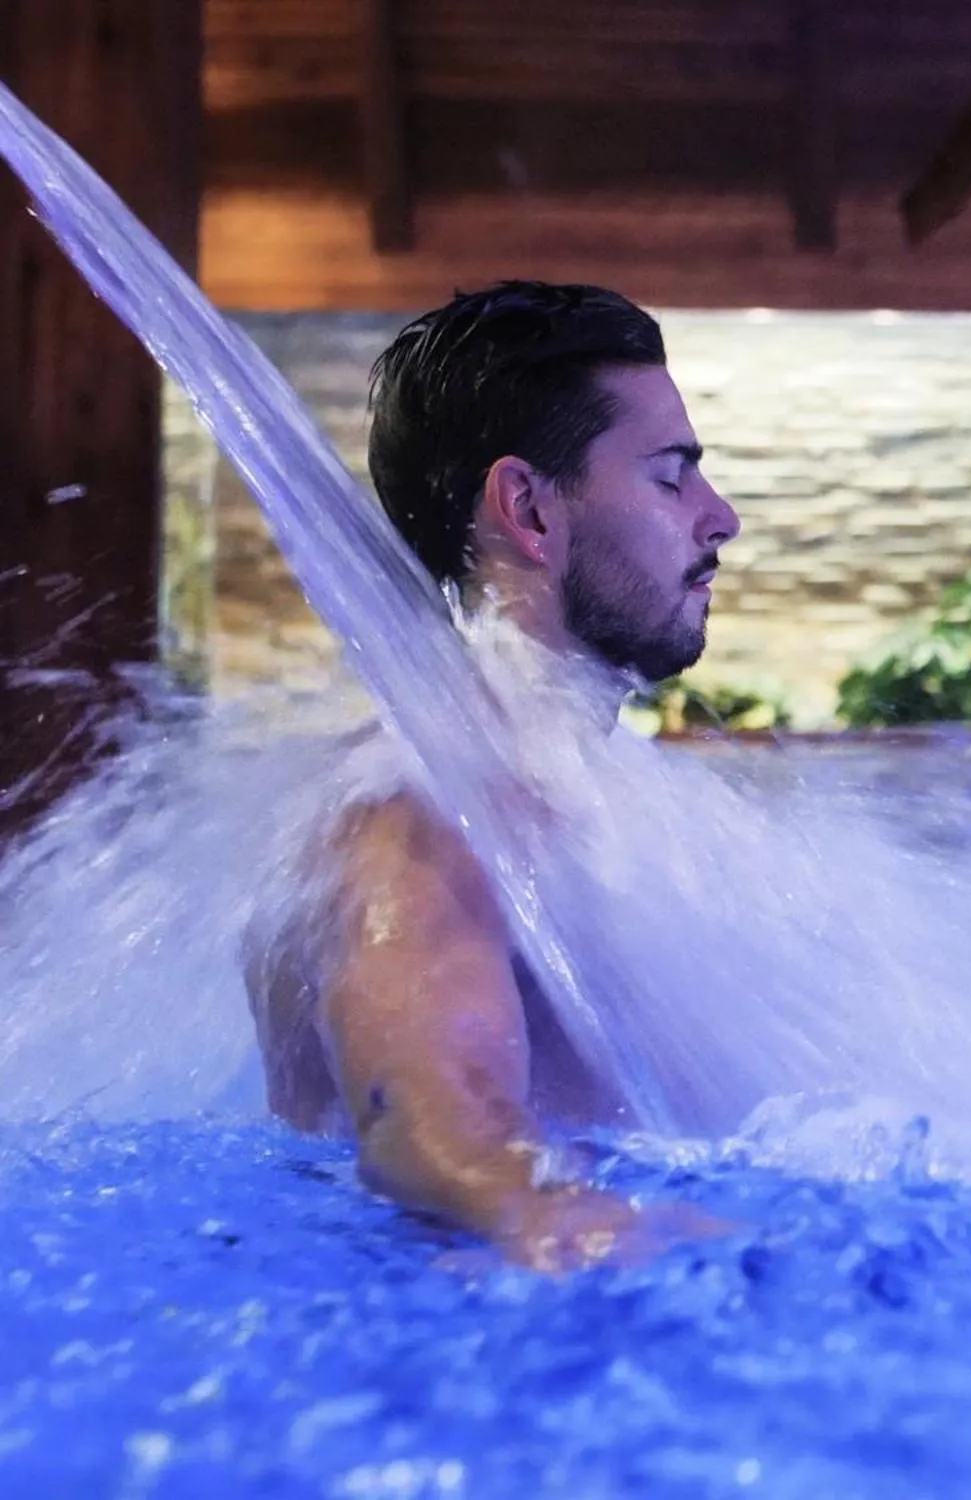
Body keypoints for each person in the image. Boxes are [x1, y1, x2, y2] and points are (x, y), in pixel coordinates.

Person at [243, 282, 742, 1272]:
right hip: (488, 1366)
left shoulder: (547, 787)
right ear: (527, 509)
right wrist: (567, 1222)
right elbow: (432, 1128)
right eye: (670, 476)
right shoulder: (423, 808)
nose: (718, 519)